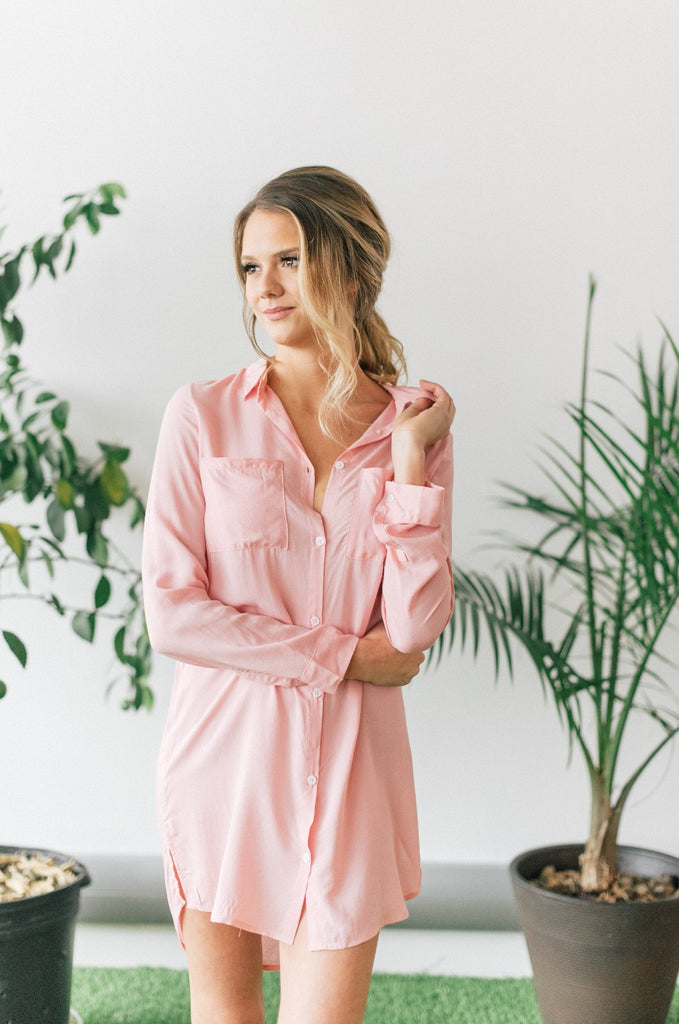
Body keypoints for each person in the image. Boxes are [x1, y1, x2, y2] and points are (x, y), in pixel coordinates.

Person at [142, 165, 455, 1024]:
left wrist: (403, 463)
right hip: (224, 771)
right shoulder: (201, 415)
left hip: (353, 780)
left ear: (350, 270)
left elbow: (417, 625)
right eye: (250, 267)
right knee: (227, 1013)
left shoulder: (414, 427)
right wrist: (343, 656)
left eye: (289, 260)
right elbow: (173, 611)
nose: (265, 288)